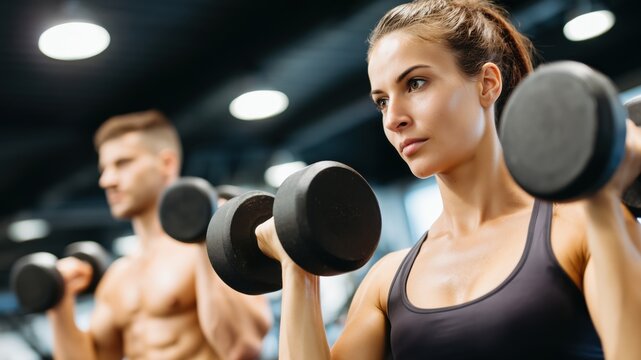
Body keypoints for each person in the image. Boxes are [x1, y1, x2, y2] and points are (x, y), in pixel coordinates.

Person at [254, 0, 641, 359]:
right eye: (382, 101)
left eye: (415, 84)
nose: (393, 118)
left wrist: (604, 205)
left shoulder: (581, 227)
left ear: (487, 83)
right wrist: (297, 267)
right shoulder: (387, 281)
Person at [47, 110, 272, 360]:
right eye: (104, 168)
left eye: (123, 163)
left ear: (167, 163)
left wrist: (203, 240)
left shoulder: (214, 247)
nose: (106, 180)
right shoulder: (118, 276)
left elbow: (242, 348)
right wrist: (59, 301)